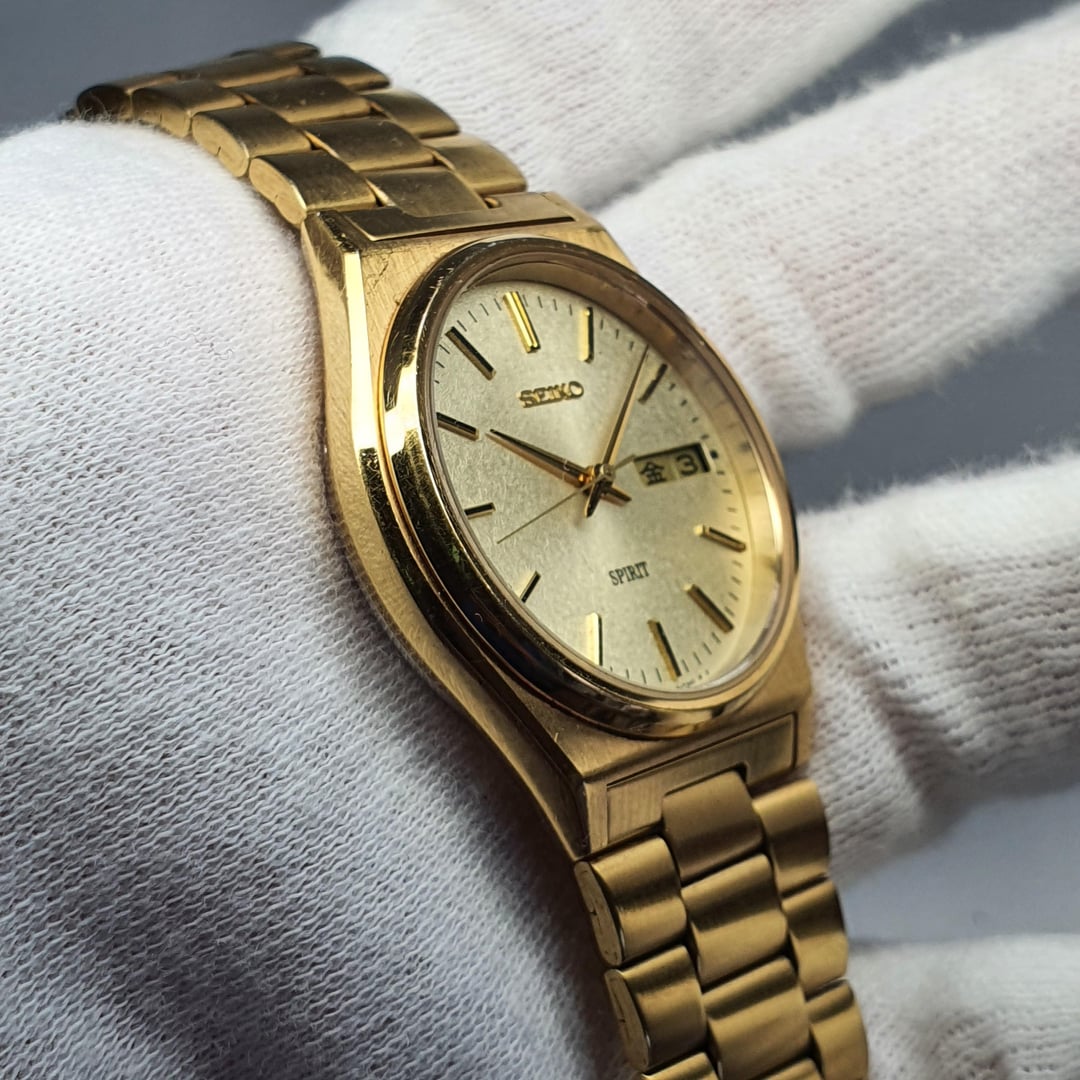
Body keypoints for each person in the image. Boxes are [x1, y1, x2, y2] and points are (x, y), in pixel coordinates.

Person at [2, 1, 1079, 1076]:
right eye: (583, 476)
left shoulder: (564, 298)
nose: (594, 478)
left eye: (594, 471)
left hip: (718, 662)